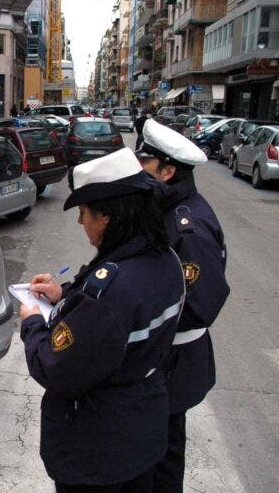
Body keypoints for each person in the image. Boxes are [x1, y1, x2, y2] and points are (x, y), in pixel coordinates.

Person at [20, 148, 186, 493]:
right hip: (142, 432)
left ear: (107, 215)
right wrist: (64, 295)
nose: (81, 222)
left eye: (84, 212)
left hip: (97, 450)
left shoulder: (109, 291)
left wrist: (33, 321)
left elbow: (55, 368)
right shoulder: (166, 258)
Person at [136, 120, 230, 493]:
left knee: (163, 458)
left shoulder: (187, 225)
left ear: (168, 171)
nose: (138, 169)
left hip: (174, 361)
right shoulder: (166, 206)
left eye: (145, 164)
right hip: (164, 360)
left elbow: (201, 303)